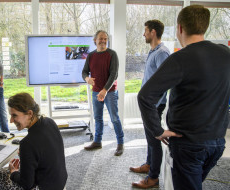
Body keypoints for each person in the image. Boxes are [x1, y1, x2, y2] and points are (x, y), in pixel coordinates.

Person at [138, 5, 230, 190]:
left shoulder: (180, 58)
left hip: (188, 143)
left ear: (180, 28)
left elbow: (145, 96)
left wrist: (157, 131)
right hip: (218, 142)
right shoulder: (226, 54)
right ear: (205, 26)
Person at [0, 93, 68, 190]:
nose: (11, 120)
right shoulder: (49, 122)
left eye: (14, 115)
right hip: (58, 182)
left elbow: (26, 184)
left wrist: (13, 173)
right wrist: (27, 156)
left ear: (30, 114)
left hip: (42, 187)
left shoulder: (27, 143)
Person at [130, 20, 170, 188]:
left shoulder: (162, 53)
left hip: (154, 105)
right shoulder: (153, 51)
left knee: (154, 140)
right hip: (149, 104)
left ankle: (153, 178)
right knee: (149, 137)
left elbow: (165, 81)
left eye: (145, 30)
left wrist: (154, 105)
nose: (143, 34)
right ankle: (149, 165)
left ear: (153, 32)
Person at [82, 30, 124, 156]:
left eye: (105, 39)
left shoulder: (112, 54)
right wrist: (87, 79)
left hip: (109, 92)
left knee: (114, 118)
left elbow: (114, 74)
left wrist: (104, 90)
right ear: (95, 40)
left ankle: (120, 144)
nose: (103, 41)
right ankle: (97, 141)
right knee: (98, 118)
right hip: (95, 92)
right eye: (101, 38)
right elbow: (84, 72)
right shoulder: (91, 55)